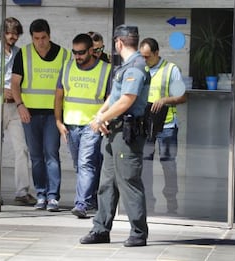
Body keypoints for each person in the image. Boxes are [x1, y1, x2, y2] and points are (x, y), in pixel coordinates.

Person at [80, 25, 150, 247]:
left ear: (119, 43)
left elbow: (126, 100)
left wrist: (101, 119)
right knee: (107, 183)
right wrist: (101, 114)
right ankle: (101, 229)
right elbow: (114, 96)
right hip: (114, 132)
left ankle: (138, 233)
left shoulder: (136, 66)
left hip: (127, 134)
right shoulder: (124, 67)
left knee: (129, 181)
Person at [11, 19, 71, 212]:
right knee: (36, 156)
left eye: (43, 37)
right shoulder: (24, 53)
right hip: (30, 114)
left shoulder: (63, 55)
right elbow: (14, 84)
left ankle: (53, 197)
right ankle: (41, 194)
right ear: (31, 37)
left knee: (51, 154)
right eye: (36, 38)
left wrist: (62, 115)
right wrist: (20, 105)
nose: (40, 42)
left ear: (49, 35)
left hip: (54, 115)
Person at [54, 33, 111, 218]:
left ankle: (82, 204)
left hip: (92, 124)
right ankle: (92, 200)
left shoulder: (105, 69)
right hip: (71, 125)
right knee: (80, 166)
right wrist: (58, 121)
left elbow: (111, 97)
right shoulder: (67, 67)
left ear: (91, 51)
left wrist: (101, 117)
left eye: (81, 53)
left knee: (86, 163)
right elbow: (59, 95)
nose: (77, 56)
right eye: (74, 52)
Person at [139, 37, 187, 214]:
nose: (144, 60)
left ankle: (171, 203)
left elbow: (182, 97)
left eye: (147, 56)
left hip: (166, 126)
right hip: (145, 126)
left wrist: (165, 100)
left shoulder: (170, 69)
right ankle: (148, 204)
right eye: (142, 56)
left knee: (168, 165)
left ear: (157, 53)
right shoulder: (140, 69)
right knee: (145, 165)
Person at [0, 17, 37, 206]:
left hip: (15, 105)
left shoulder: (19, 53)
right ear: (2, 33)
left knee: (21, 149)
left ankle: (22, 191)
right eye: (9, 33)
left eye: (15, 33)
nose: (12, 37)